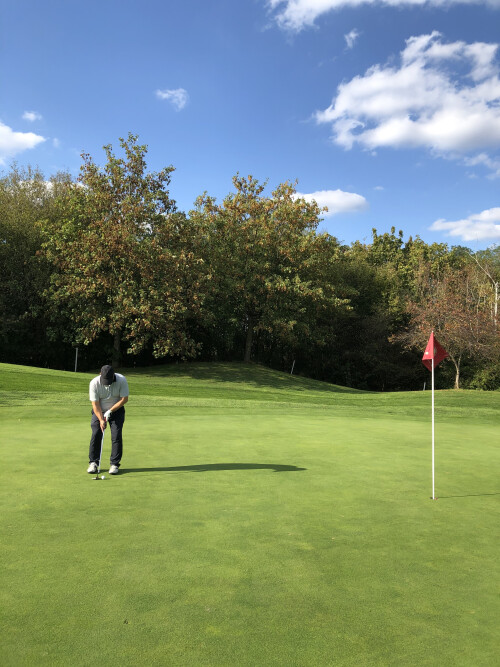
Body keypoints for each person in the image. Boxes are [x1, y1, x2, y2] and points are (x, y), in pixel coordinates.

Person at [87, 365, 129, 475]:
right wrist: (101, 419)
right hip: (99, 411)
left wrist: (110, 410)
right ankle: (93, 463)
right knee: (96, 433)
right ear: (100, 374)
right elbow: (95, 404)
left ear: (113, 375)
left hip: (117, 410)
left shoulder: (121, 380)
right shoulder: (94, 383)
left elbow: (124, 399)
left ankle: (114, 464)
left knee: (116, 435)